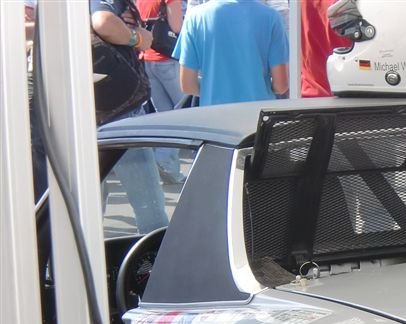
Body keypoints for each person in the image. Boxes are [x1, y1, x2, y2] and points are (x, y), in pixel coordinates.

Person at [91, 0, 170, 234]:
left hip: (91, 109)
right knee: (148, 202)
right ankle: (154, 255)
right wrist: (137, 38)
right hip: (119, 112)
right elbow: (103, 22)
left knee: (89, 203)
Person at [173, 0, 289, 106]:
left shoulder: (194, 17)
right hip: (258, 113)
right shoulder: (271, 17)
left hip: (213, 113)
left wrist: (213, 91)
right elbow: (281, 85)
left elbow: (187, 85)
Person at [136, 0, 185, 183]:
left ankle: (170, 169)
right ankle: (163, 158)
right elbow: (177, 26)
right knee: (186, 113)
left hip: (148, 58)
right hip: (168, 57)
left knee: (165, 116)